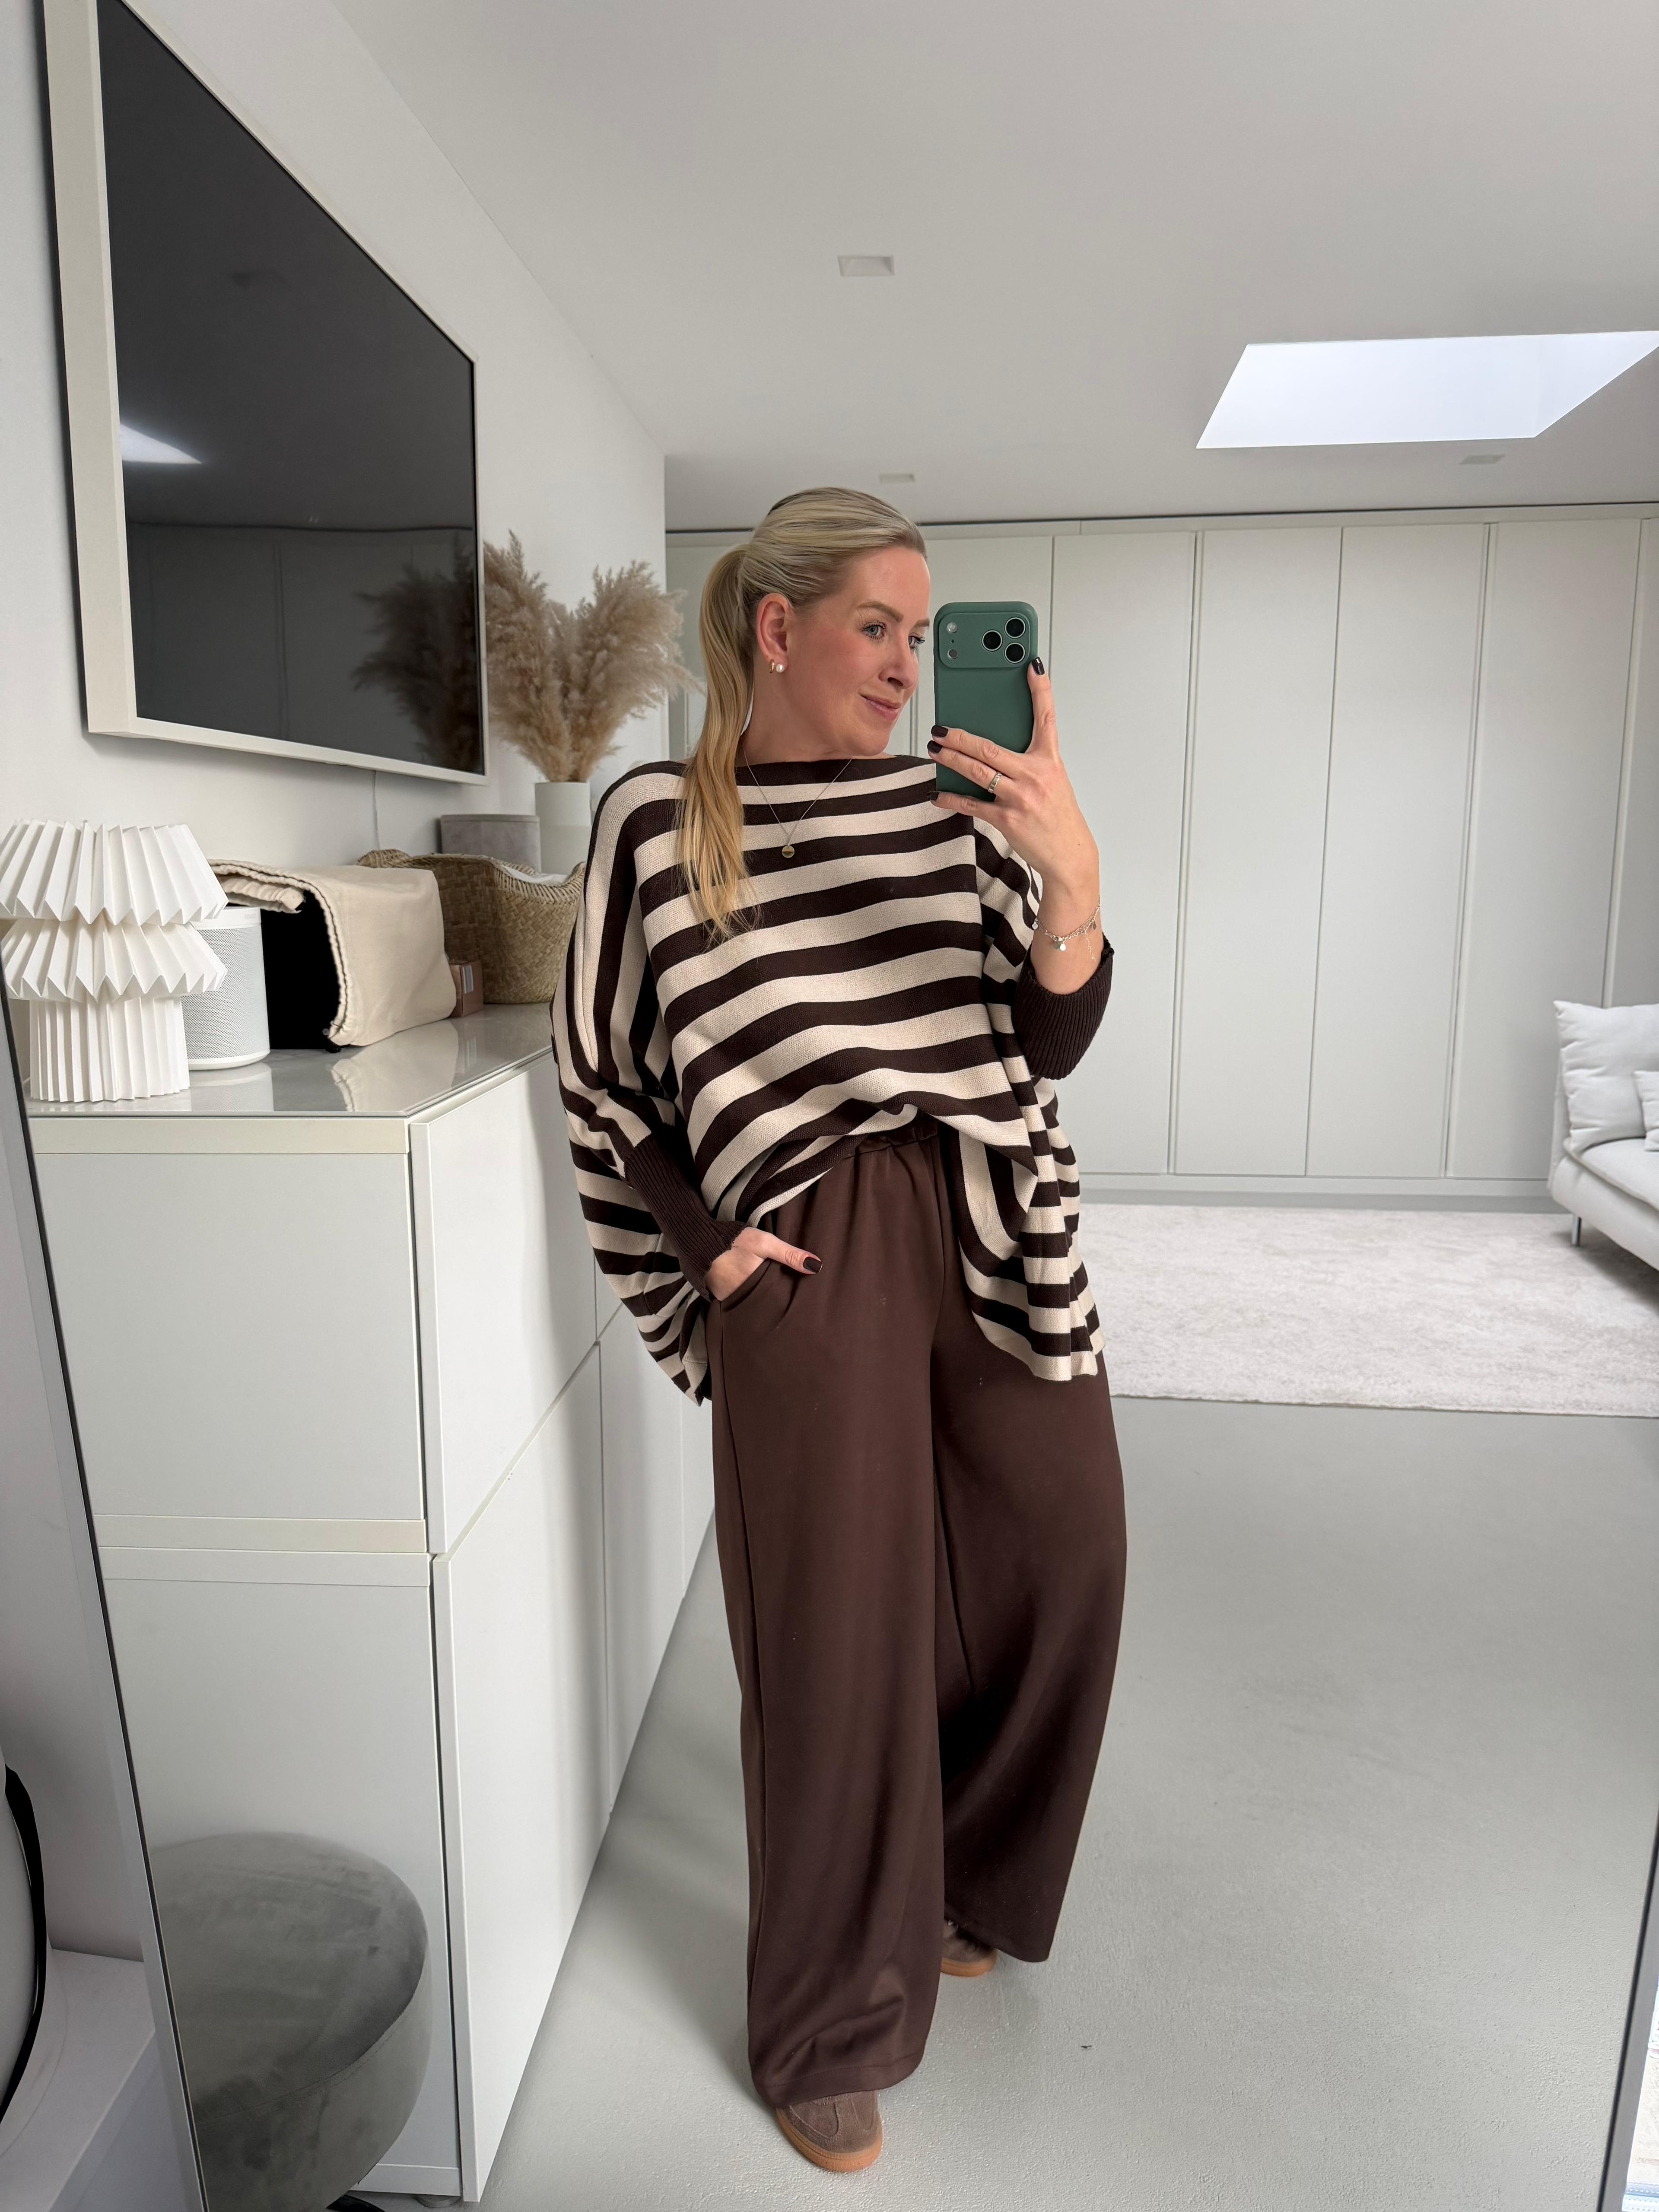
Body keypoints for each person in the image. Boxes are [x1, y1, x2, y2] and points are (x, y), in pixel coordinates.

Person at [554, 486, 1126, 2174]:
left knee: (1064, 1555)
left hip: (991, 1212)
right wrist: (705, 1243)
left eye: (920, 632)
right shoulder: (657, 823)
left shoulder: (957, 806)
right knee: (833, 1636)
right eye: (877, 625)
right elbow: (606, 1076)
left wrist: (1074, 880)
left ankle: (961, 1878)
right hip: (807, 1242)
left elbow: (1045, 1036)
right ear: (777, 626)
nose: (903, 662)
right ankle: (828, 2020)